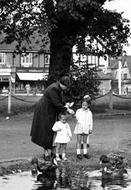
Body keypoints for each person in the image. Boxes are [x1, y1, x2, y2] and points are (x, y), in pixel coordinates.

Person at [30, 75, 74, 160]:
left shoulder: (58, 87)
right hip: (44, 110)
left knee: (52, 129)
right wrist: (67, 110)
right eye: (66, 86)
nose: (66, 88)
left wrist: (66, 104)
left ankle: (53, 151)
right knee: (46, 130)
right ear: (62, 84)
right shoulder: (54, 88)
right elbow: (56, 103)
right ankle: (46, 153)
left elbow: (59, 100)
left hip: (49, 109)